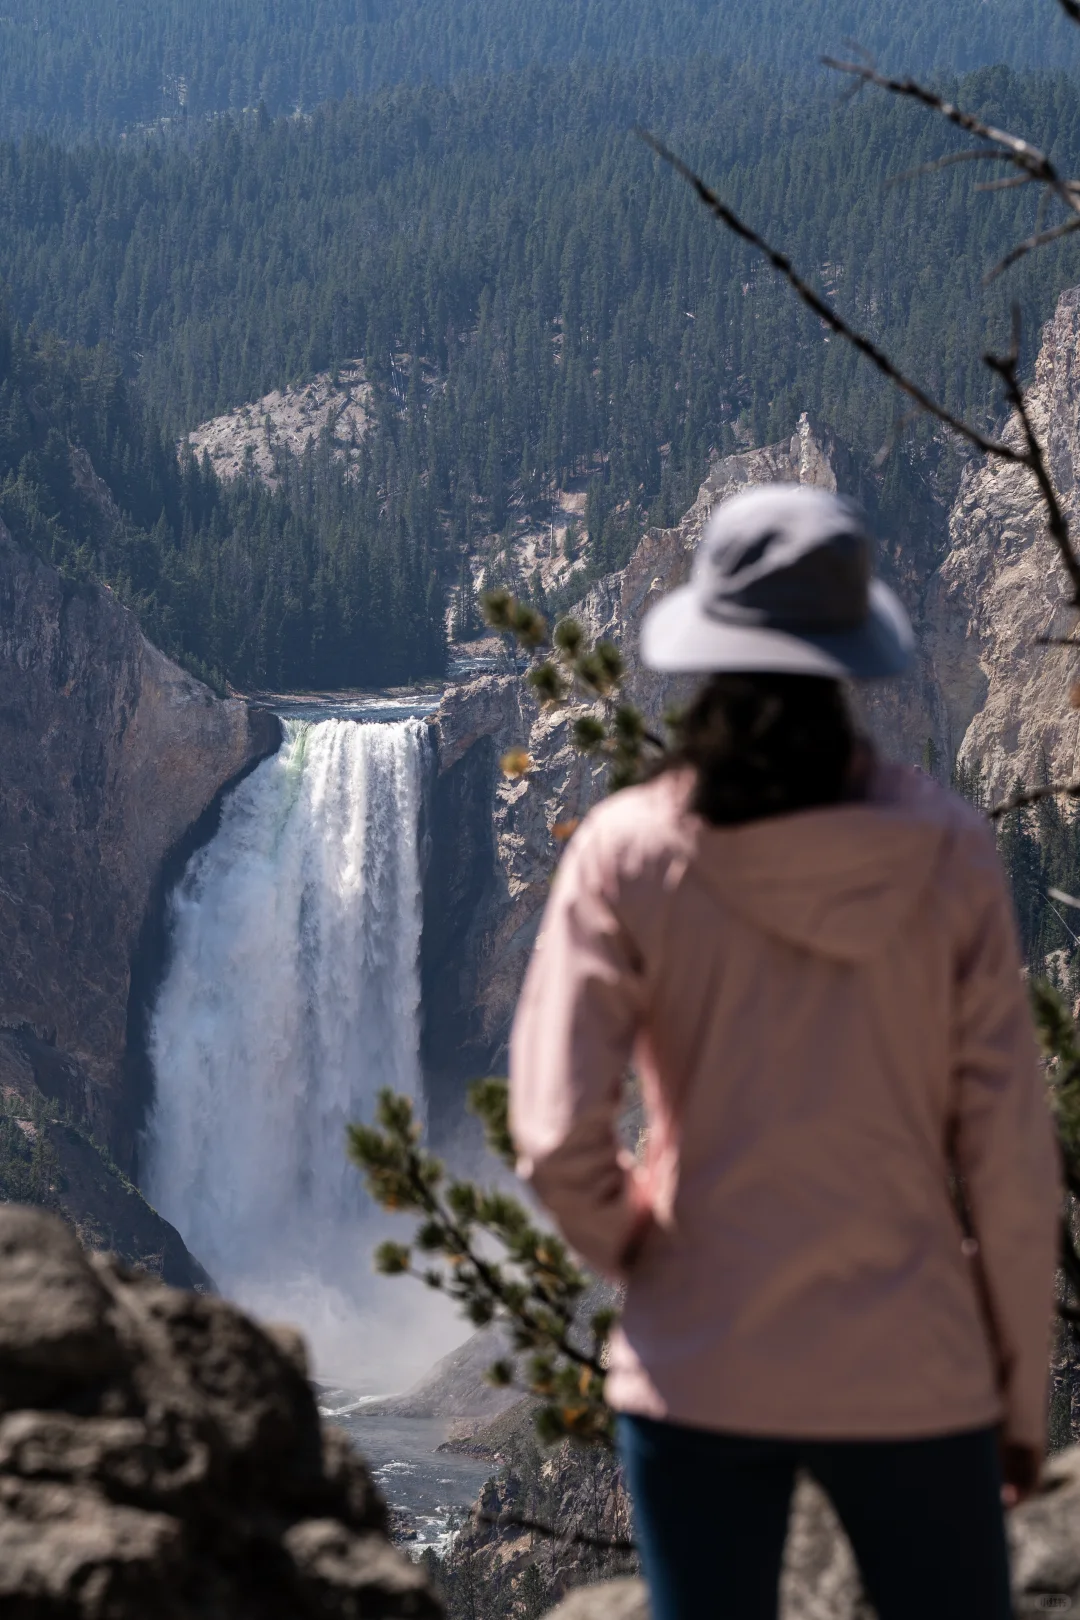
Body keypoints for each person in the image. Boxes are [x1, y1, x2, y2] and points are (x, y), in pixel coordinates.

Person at [507, 484, 1061, 1620]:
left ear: (704, 650)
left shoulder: (629, 853)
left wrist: (649, 1252)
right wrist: (1015, 1397)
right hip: (911, 1359)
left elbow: (556, 1136)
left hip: (700, 1358)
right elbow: (1009, 1157)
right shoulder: (947, 855)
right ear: (852, 659)